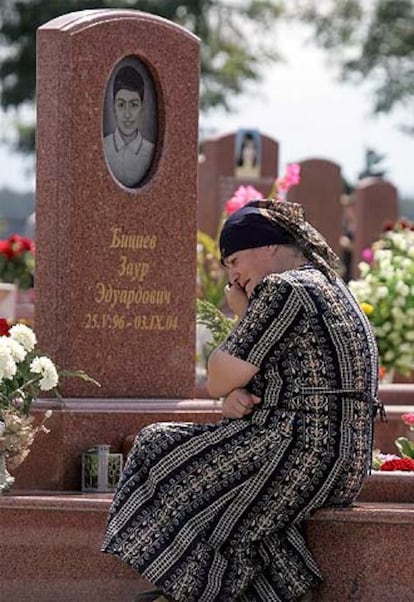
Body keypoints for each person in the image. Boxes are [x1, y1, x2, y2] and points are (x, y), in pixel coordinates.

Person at [102, 199, 382, 601]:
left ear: (268, 247)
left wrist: (241, 315)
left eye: (234, 260)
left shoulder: (282, 288)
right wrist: (235, 397)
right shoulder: (330, 283)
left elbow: (217, 378)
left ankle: (193, 590)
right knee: (242, 512)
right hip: (343, 460)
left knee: (156, 445)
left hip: (300, 451)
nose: (233, 276)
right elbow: (258, 380)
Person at [104, 65, 154, 188]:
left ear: (142, 107)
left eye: (134, 105)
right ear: (113, 106)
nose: (127, 114)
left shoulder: (150, 152)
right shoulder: (103, 146)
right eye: (121, 105)